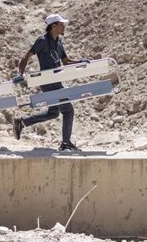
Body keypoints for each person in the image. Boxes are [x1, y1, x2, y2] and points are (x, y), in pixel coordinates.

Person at [12, 14, 89, 151]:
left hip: (55, 81)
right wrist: (21, 74)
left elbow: (65, 62)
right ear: (53, 26)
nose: (64, 26)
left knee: (53, 112)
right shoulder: (42, 40)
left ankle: (22, 122)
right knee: (68, 110)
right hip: (48, 82)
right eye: (61, 24)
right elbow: (26, 56)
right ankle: (65, 144)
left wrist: (80, 62)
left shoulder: (58, 42)